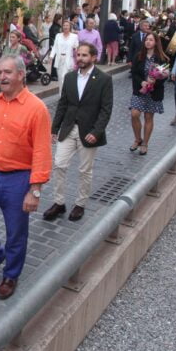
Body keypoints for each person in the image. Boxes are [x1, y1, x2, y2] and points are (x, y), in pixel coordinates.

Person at [0, 54, 52, 300]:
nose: (2, 76)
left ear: (20, 75)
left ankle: (11, 274)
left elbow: (41, 151)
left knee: (16, 232)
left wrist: (35, 190)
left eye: (7, 72)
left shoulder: (37, 108)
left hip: (18, 180)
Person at [43, 42, 113, 222]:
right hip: (68, 128)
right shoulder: (70, 77)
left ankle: (80, 204)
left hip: (89, 131)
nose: (80, 58)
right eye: (78, 55)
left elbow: (106, 110)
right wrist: (54, 129)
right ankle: (59, 203)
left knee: (85, 170)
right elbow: (63, 104)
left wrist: (96, 132)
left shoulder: (104, 79)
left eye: (84, 55)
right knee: (59, 164)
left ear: (93, 57)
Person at [129, 33, 168, 156]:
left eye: (151, 40)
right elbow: (134, 73)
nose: (148, 42)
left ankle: (145, 143)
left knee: (148, 117)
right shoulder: (139, 56)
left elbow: (164, 75)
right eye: (147, 39)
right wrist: (142, 82)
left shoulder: (162, 58)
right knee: (134, 114)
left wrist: (156, 80)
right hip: (140, 90)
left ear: (156, 42)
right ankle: (137, 139)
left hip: (153, 92)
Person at [47, 20, 79, 95]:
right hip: (59, 59)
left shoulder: (74, 36)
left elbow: (76, 48)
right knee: (61, 78)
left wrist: (76, 51)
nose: (65, 27)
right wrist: (51, 57)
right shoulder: (58, 35)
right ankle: (61, 95)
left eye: (67, 25)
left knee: (65, 78)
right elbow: (54, 47)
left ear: (70, 27)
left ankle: (67, 95)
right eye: (64, 25)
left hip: (69, 60)